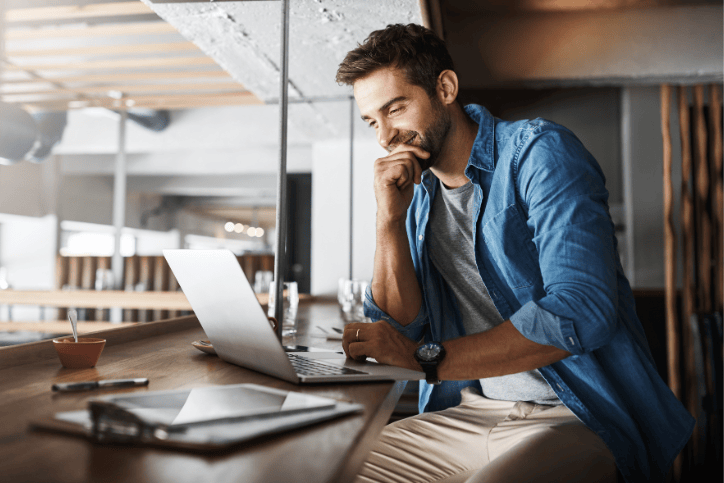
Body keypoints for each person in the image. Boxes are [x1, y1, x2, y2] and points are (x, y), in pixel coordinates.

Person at [335, 23, 693, 483]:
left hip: (576, 415)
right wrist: (389, 221)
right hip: (472, 410)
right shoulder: (418, 194)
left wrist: (428, 358)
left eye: (395, 108)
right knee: (332, 469)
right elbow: (399, 327)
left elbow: (583, 310)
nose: (385, 136)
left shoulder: (539, 152)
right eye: (372, 121)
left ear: (444, 88)